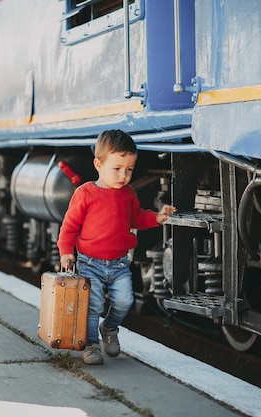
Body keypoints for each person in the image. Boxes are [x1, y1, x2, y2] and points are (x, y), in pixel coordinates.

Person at [57, 129, 176, 365]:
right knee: (95, 304)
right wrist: (66, 252)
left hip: (120, 262)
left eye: (129, 170)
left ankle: (109, 329)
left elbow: (136, 218)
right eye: (117, 168)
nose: (124, 175)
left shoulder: (128, 193)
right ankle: (90, 344)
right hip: (90, 261)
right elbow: (69, 226)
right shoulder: (85, 194)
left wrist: (157, 218)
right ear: (98, 165)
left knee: (124, 301)